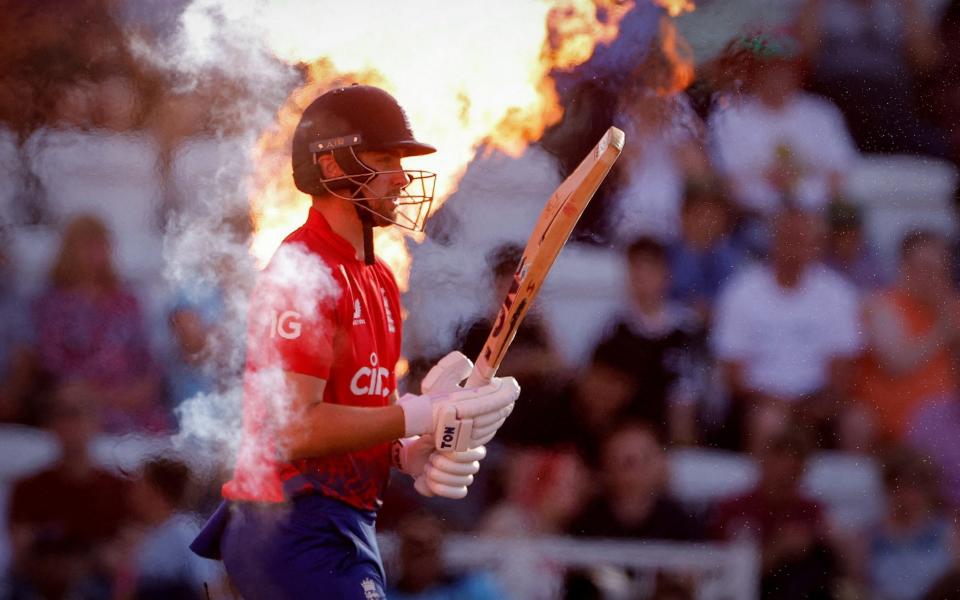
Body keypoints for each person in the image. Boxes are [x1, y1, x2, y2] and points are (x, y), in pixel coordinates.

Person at [189, 85, 520, 598]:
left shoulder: (381, 278)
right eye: (385, 159)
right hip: (290, 519)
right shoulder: (302, 270)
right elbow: (296, 429)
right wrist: (421, 413)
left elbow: (361, 406)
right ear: (333, 168)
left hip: (344, 521)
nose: (403, 176)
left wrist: (407, 452)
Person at [711, 208, 862, 451]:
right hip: (758, 402)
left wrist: (815, 407)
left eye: (802, 241)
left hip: (817, 401)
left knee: (858, 422)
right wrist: (779, 403)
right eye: (787, 239)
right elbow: (733, 373)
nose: (794, 249)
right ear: (773, 242)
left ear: (817, 246)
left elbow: (843, 369)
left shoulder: (838, 294)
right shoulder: (741, 291)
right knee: (770, 421)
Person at [32, 214, 165, 433]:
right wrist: (94, 396)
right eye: (86, 245)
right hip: (79, 406)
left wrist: (137, 392)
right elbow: (52, 366)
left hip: (131, 402)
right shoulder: (52, 304)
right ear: (70, 251)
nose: (94, 253)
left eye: (100, 245)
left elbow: (147, 360)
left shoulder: (127, 301)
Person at [6, 383, 132, 599]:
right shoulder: (27, 488)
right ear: (50, 424)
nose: (69, 424)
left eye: (76, 413)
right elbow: (20, 557)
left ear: (96, 421)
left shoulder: (121, 489)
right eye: (60, 414)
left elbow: (124, 558)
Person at [710, 429, 840, 600]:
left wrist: (832, 541)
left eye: (792, 474)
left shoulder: (812, 511)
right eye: (779, 472)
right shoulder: (733, 509)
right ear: (762, 465)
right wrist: (777, 550)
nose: (784, 479)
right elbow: (720, 575)